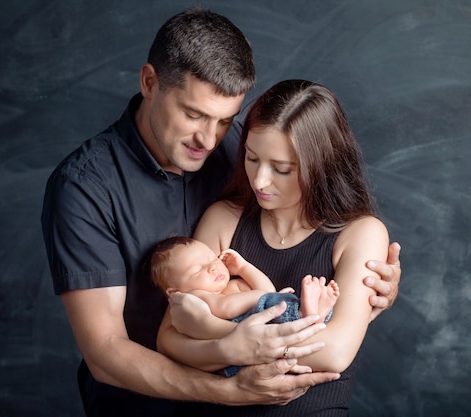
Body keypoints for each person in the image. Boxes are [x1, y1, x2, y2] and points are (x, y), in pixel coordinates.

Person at [41, 7, 401, 417]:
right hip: (141, 407)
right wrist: (232, 383)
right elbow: (106, 352)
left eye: (226, 121)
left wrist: (365, 296)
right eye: (193, 115)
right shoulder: (85, 187)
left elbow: (334, 336)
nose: (208, 139)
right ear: (149, 83)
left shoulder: (241, 152)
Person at [160, 79, 392, 416]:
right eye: (252, 159)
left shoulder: (361, 234)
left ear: (321, 166)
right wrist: (233, 347)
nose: (259, 181)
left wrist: (224, 337)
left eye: (281, 169)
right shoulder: (224, 219)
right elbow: (169, 339)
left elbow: (334, 352)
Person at [148, 236, 339, 376]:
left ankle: (313, 315)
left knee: (274, 304)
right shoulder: (195, 298)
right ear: (175, 292)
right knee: (273, 305)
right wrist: (265, 297)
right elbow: (226, 308)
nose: (212, 267)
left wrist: (243, 268)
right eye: (197, 270)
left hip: (265, 327)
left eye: (212, 258)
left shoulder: (235, 284)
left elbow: (267, 289)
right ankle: (308, 313)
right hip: (243, 348)